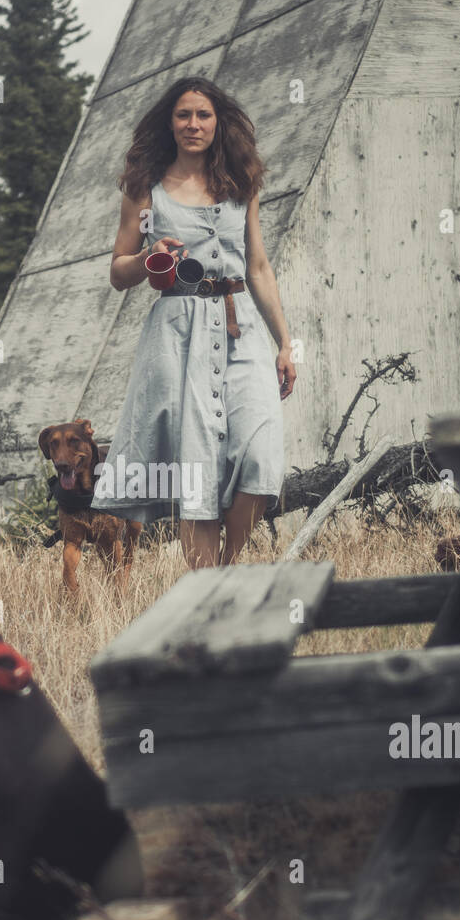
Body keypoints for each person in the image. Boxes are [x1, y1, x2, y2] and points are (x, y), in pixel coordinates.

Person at [92, 76, 296, 569]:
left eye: (203, 115)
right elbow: (118, 270)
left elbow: (259, 267)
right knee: (195, 470)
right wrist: (149, 257)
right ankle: (206, 595)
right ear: (171, 122)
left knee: (260, 455)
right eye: (184, 115)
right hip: (177, 330)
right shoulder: (146, 192)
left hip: (239, 323)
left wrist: (286, 344)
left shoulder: (240, 184)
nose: (193, 124)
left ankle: (227, 568)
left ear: (217, 122)